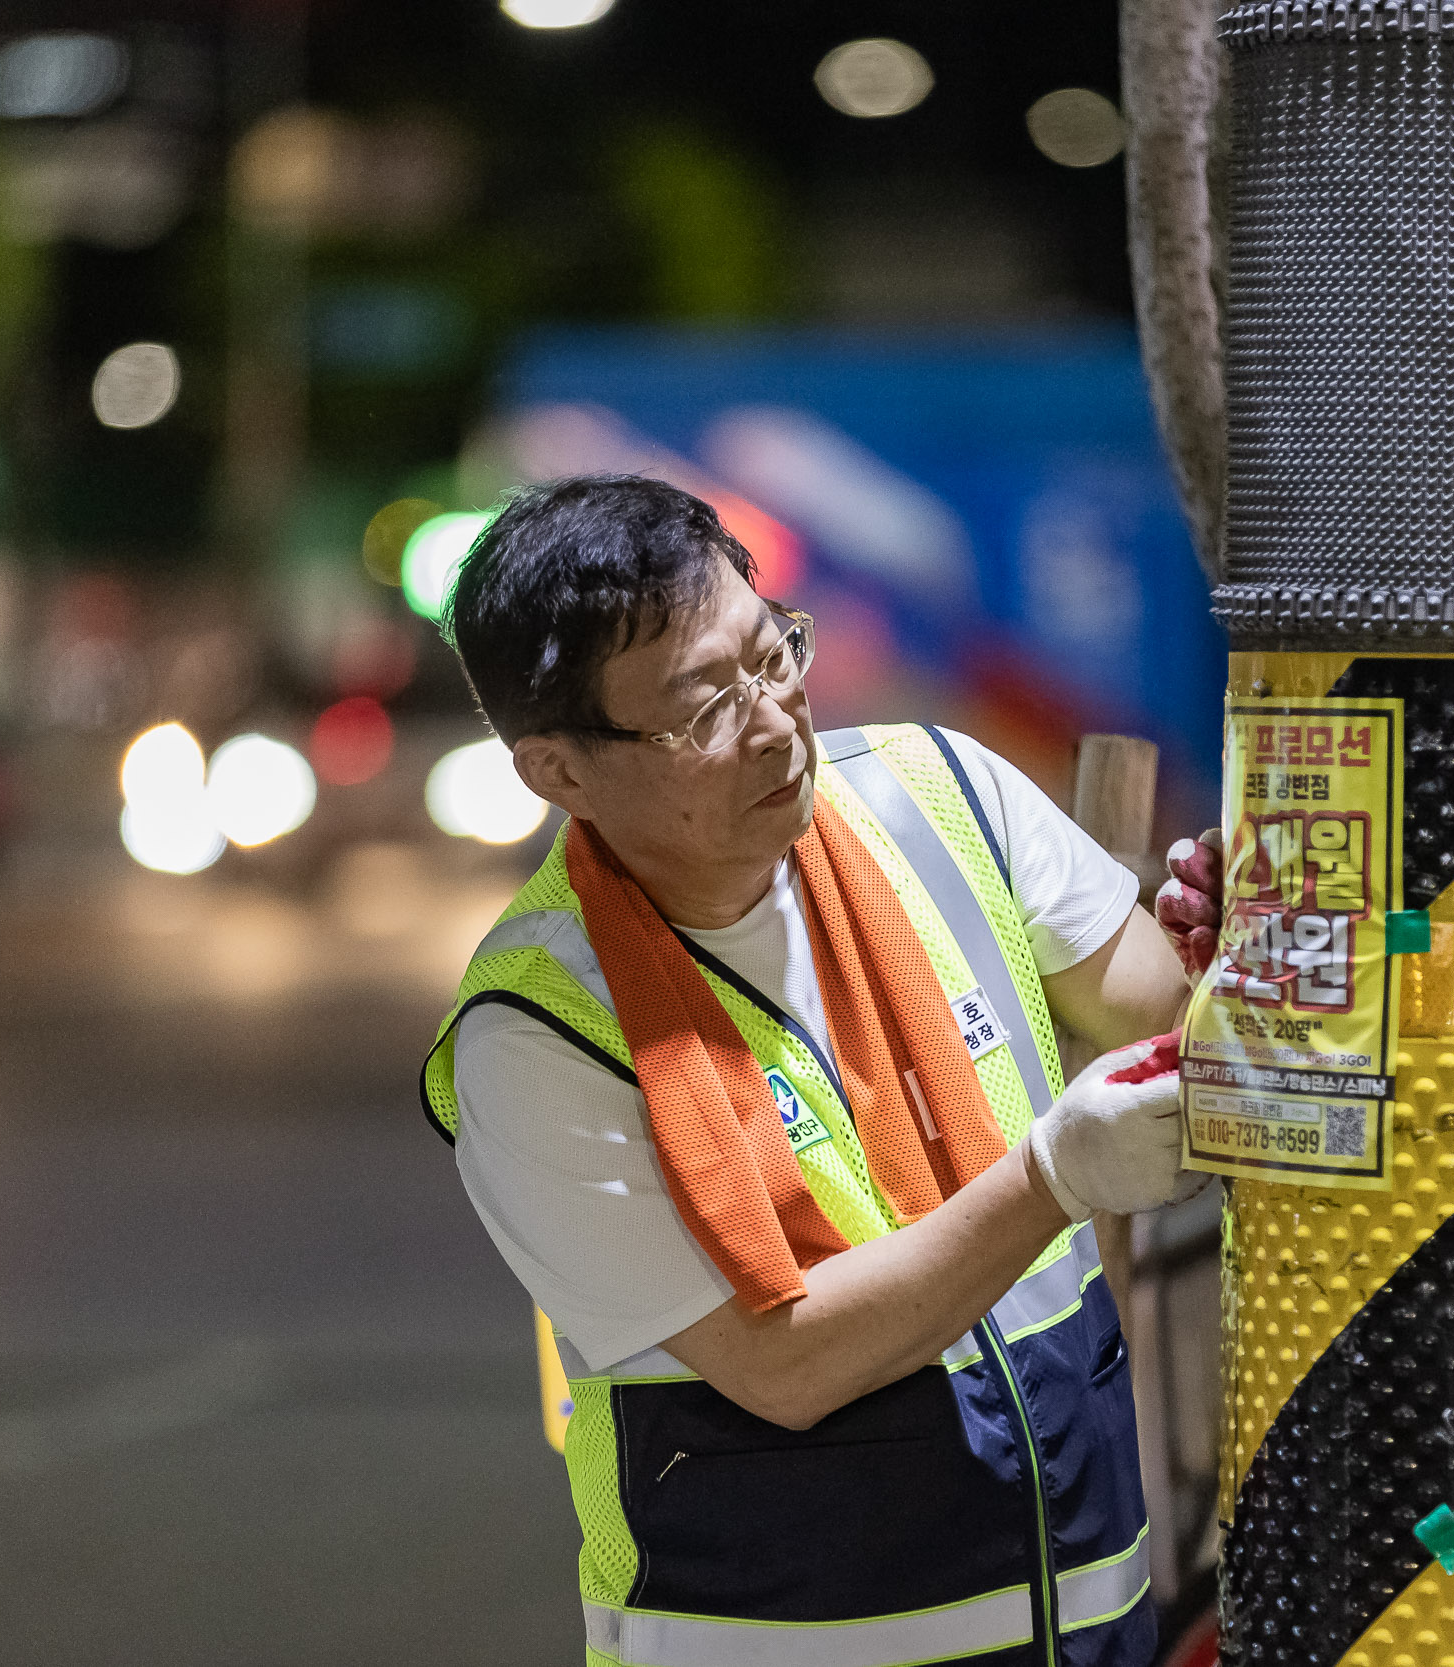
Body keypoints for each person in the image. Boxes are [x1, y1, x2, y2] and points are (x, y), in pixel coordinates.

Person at [421, 474, 1198, 1667]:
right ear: (558, 771)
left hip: (1085, 1629)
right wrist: (1052, 1176)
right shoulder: (536, 1034)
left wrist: (1239, 938)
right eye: (699, 709)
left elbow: (1173, 1020)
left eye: (771, 652)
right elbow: (788, 1363)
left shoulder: (946, 796)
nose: (776, 721)